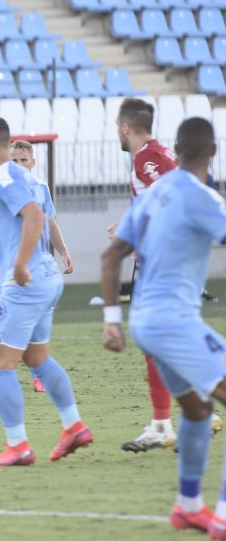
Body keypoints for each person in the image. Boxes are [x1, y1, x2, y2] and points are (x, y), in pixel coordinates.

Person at [102, 117, 226, 535]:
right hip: (174, 321)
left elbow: (110, 255)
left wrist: (111, 321)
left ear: (178, 148)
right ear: (213, 152)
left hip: (144, 320)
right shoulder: (201, 196)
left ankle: (189, 505)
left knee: (196, 409)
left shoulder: (155, 194)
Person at [0, 115, 91, 468]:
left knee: (2, 366)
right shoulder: (24, 178)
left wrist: (20, 264)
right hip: (48, 278)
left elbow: (35, 218)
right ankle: (73, 425)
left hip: (26, 281)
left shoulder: (4, 176)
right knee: (37, 359)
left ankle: (17, 445)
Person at [112, 99, 221, 453]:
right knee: (162, 343)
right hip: (169, 265)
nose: (117, 131)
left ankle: (166, 422)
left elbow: (173, 194)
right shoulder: (152, 155)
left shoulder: (147, 158)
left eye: (118, 125)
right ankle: (186, 413)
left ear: (125, 127)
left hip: (162, 269)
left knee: (156, 341)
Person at [0, 140, 75, 394]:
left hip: (35, 266)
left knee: (18, 320)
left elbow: (51, 225)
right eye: (14, 161)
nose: (19, 165)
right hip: (3, 267)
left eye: (24, 160)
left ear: (33, 163)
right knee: (23, 317)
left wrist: (64, 252)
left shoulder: (41, 188)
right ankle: (36, 374)